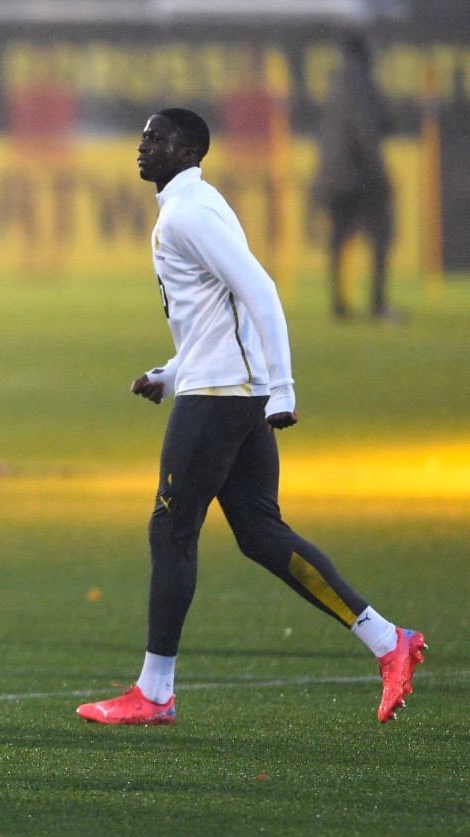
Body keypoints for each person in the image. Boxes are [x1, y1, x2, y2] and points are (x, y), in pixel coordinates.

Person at [76, 108, 424, 727]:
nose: (143, 145)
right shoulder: (191, 208)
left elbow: (260, 292)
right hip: (224, 385)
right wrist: (170, 374)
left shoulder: (189, 212)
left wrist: (282, 391)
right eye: (144, 136)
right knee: (261, 533)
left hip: (225, 395)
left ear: (188, 153)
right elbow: (219, 315)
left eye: (158, 138)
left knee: (171, 530)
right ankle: (388, 640)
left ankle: (155, 693)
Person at [311, 32, 397, 322]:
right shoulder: (362, 83)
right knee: (381, 235)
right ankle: (377, 304)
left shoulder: (334, 83)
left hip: (334, 175)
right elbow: (371, 130)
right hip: (360, 174)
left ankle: (338, 304)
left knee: (338, 239)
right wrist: (378, 172)